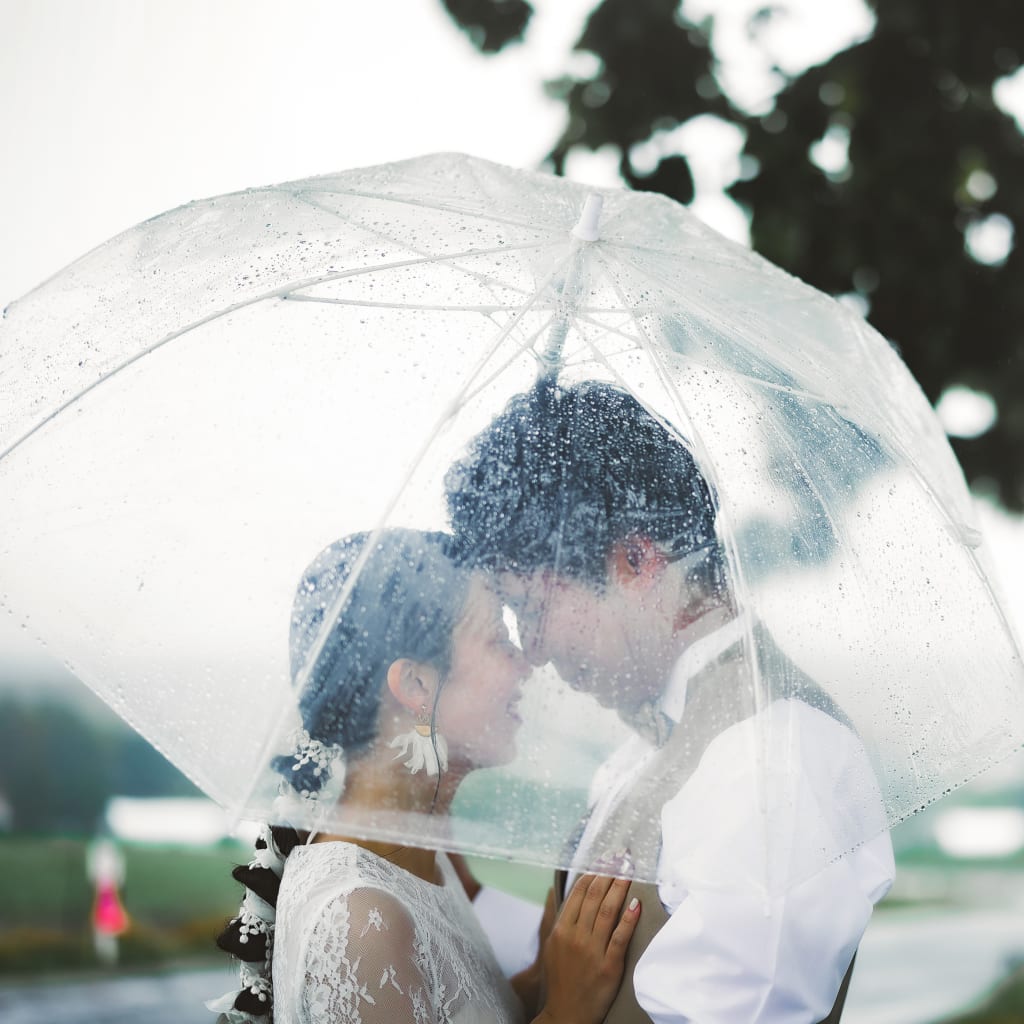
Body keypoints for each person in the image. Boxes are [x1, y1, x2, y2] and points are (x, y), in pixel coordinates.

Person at [445, 381, 896, 1024]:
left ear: (636, 560)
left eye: (534, 608)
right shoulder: (647, 747)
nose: (534, 649)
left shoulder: (772, 763)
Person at [210, 528, 640, 1024]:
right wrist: (568, 1011)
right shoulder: (359, 919)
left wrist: (546, 972)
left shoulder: (417, 862)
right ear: (415, 685)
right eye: (498, 640)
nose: (526, 661)